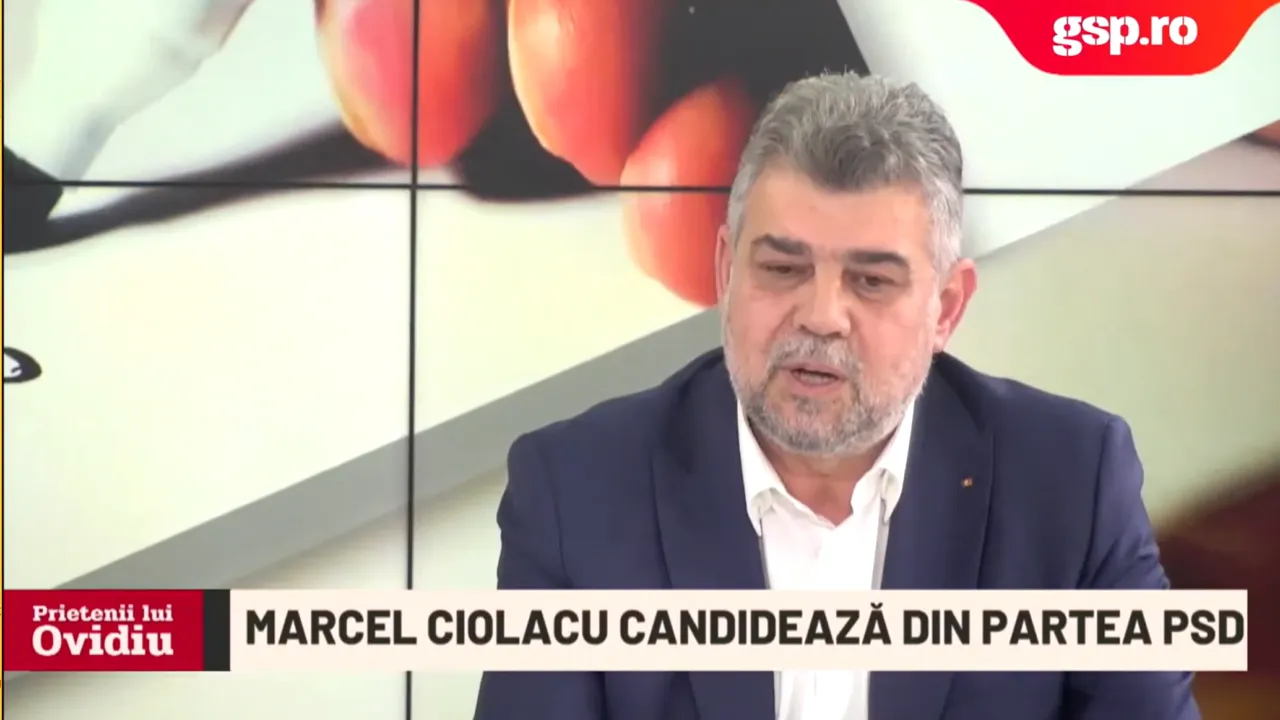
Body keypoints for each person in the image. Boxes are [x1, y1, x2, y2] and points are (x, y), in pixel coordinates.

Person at [474, 72, 1201, 720]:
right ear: (726, 272)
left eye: (871, 281)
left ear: (946, 309)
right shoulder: (575, 492)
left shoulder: (1072, 482)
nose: (821, 316)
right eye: (782, 268)